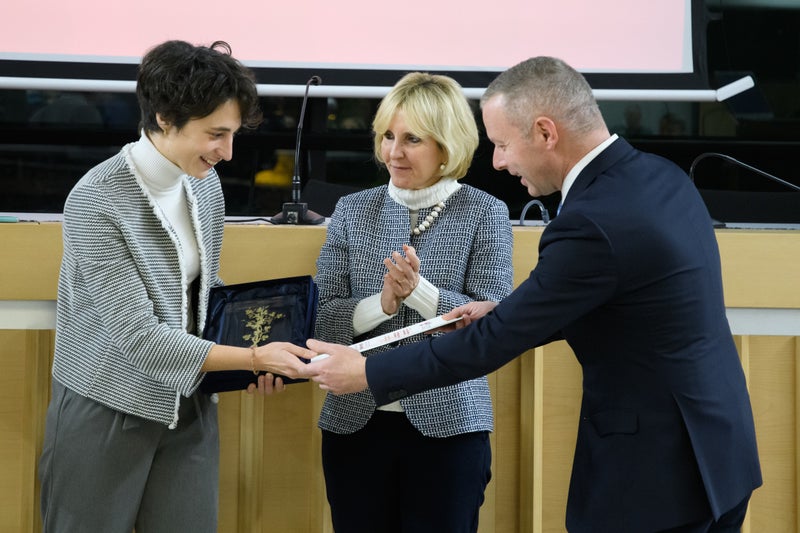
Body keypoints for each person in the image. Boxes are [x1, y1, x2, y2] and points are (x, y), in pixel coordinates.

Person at [302, 57, 762, 533]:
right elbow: (623, 300)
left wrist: (368, 372)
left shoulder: (588, 222)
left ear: (545, 133)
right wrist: (503, 311)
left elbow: (493, 342)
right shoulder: (659, 176)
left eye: (503, 145)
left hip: (658, 475)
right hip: (720, 450)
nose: (498, 162)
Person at [38, 40, 314, 533]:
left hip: (190, 399)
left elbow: (203, 292)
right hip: (107, 403)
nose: (227, 153)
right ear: (165, 118)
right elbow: (138, 337)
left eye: (232, 134)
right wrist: (254, 357)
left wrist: (259, 352)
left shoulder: (203, 183)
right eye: (215, 134)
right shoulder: (96, 200)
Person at [312, 72, 514, 533]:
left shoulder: (486, 212)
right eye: (388, 136)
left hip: (451, 425)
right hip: (355, 423)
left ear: (447, 145)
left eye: (412, 139)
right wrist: (382, 304)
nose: (394, 152)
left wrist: (420, 294)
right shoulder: (352, 210)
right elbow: (322, 319)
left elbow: (494, 323)